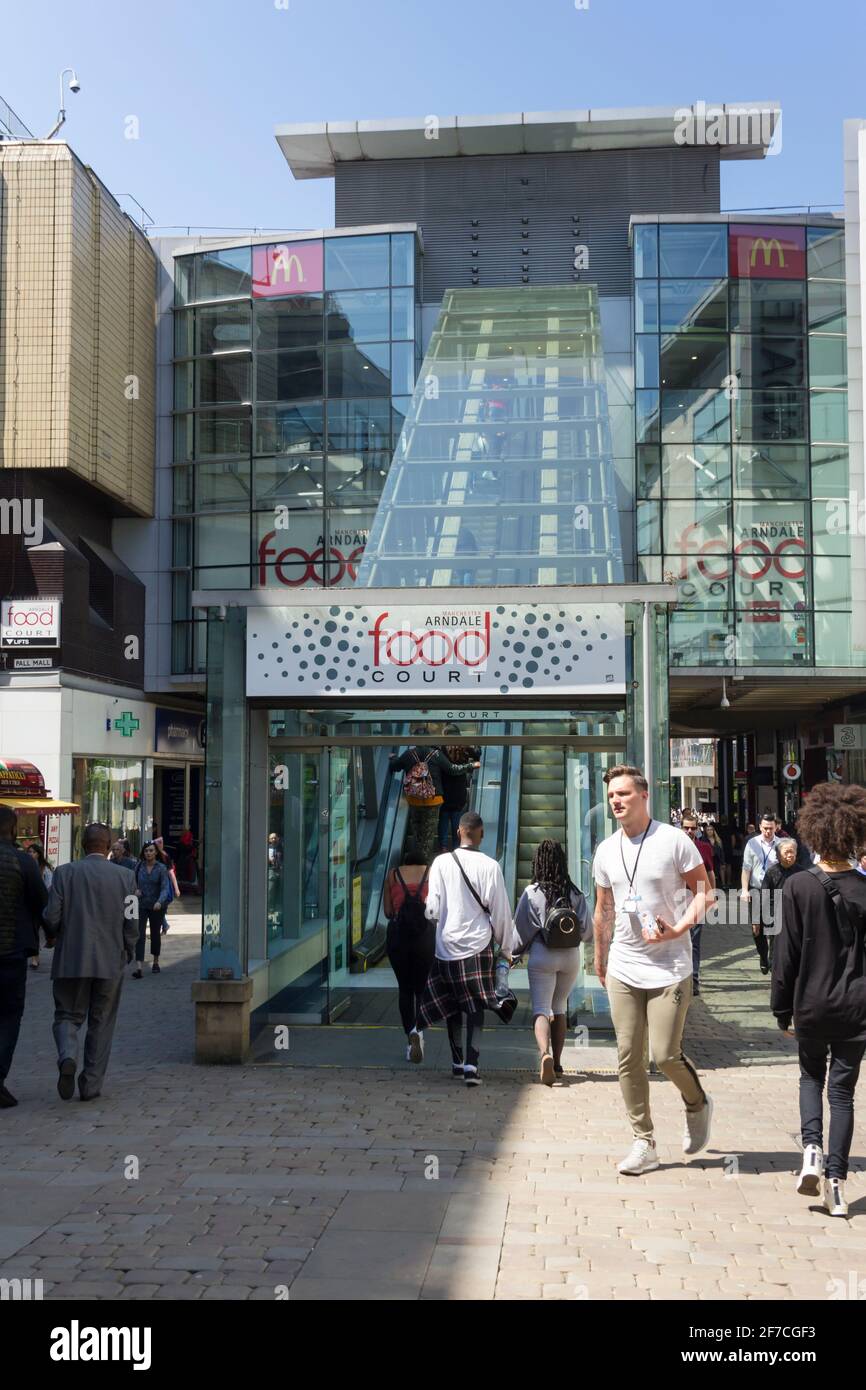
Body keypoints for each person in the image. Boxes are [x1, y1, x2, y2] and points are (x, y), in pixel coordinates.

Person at [593, 765, 713, 1176]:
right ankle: (644, 1141)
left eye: (624, 794)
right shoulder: (606, 849)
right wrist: (600, 953)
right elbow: (604, 907)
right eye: (612, 796)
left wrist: (678, 928)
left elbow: (706, 892)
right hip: (624, 966)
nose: (617, 801)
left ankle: (697, 1102)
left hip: (670, 965)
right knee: (628, 1056)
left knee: (664, 1055)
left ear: (644, 796)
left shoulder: (674, 840)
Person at [772, 782, 866, 1218]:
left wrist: (781, 1008)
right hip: (856, 1007)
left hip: (810, 1002)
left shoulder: (798, 887)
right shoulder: (864, 890)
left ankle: (811, 1148)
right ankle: (836, 1181)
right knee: (843, 1094)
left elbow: (785, 953)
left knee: (811, 1079)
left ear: (814, 833)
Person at [415, 811, 517, 1086]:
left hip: (445, 946)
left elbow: (432, 909)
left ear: (459, 831)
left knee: (450, 1005)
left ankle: (456, 1062)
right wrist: (506, 947)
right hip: (478, 945)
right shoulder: (490, 866)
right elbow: (500, 912)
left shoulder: (440, 863)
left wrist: (442, 920)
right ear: (481, 834)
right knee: (475, 1006)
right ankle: (472, 1065)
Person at [43, 822, 138, 1101]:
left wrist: (56, 936)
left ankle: (67, 1055)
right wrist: (128, 949)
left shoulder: (63, 874)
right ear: (108, 846)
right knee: (102, 1021)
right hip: (110, 960)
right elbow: (131, 921)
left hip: (71, 959)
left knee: (66, 1015)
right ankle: (91, 1084)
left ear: (83, 845)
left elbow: (51, 917)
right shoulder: (126, 878)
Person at [513, 839, 590, 1085]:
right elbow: (587, 931)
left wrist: (513, 955)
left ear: (538, 862)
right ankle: (557, 1064)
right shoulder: (575, 893)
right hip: (570, 957)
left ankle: (544, 1054)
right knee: (560, 1008)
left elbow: (520, 932)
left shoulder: (531, 893)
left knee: (541, 1010)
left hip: (542, 954)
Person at [0, 809, 49, 1107]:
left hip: (12, 952)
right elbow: (42, 902)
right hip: (10, 953)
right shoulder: (22, 861)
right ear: (13, 829)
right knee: (8, 1016)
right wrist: (52, 933)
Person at [388, 730, 479, 867]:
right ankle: (425, 867)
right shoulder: (436, 754)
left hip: (414, 800)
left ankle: (415, 862)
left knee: (417, 832)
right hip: (433, 800)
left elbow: (395, 767)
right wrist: (470, 766)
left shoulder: (408, 754)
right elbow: (453, 769)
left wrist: (393, 758)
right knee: (429, 835)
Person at [383, 841, 434, 1061]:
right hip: (425, 937)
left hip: (399, 937)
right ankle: (420, 1033)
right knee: (422, 988)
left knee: (405, 989)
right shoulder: (431, 873)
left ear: (405, 861)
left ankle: (411, 1034)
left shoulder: (393, 874)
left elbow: (387, 911)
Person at [680, 812, 715, 996]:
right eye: (686, 827)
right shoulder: (674, 847)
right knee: (678, 938)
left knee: (694, 941)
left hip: (697, 897)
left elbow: (710, 873)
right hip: (677, 900)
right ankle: (680, 978)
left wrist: (712, 896)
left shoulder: (704, 848)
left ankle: (693, 980)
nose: (689, 831)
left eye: (693, 828)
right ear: (681, 828)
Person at [741, 813, 781, 974]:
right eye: (765, 828)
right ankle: (763, 956)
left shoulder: (781, 844)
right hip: (756, 890)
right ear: (760, 827)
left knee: (774, 928)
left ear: (776, 827)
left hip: (774, 890)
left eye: (771, 828)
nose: (768, 831)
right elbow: (746, 869)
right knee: (757, 928)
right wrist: (744, 890)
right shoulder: (752, 843)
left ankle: (772, 959)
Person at [761, 838, 805, 964]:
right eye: (787, 852)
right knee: (776, 948)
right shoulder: (772, 872)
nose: (790, 855)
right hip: (776, 915)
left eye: (793, 852)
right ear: (779, 855)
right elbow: (765, 895)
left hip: (796, 915)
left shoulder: (802, 872)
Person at [437, 724, 481, 852]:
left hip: (443, 787)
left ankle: (443, 845)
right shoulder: (464, 746)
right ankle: (457, 845)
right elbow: (477, 752)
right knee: (457, 816)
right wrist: (478, 744)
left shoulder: (440, 748)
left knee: (444, 816)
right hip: (459, 787)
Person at [132, 842, 172, 978]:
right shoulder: (138, 867)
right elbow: (133, 882)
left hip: (156, 906)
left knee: (155, 934)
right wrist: (135, 890)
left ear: (156, 853)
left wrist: (159, 902)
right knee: (140, 934)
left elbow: (165, 887)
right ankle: (139, 966)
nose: (148, 853)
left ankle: (155, 961)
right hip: (141, 904)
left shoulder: (161, 868)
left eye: (151, 851)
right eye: (146, 851)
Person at [25, 843, 53, 970]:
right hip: (31, 905)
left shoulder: (45, 869)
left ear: (38, 854)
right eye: (29, 852)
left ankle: (51, 939)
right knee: (33, 931)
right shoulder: (25, 866)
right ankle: (35, 958)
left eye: (33, 852)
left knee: (47, 927)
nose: (31, 854)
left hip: (43, 904)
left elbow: (49, 886)